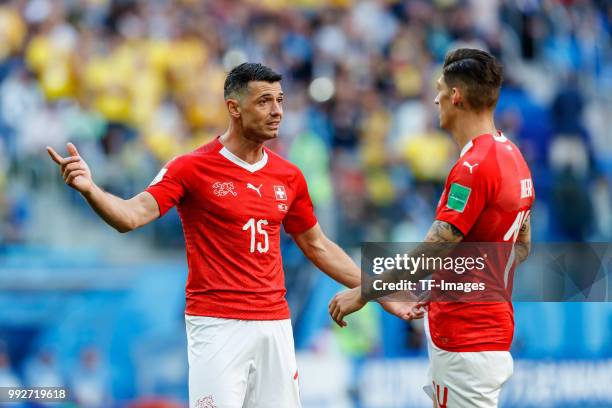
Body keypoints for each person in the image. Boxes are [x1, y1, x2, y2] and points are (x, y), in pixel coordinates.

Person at [47, 62, 412, 408]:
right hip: (217, 326)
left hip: (275, 326)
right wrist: (91, 189)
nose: (277, 111)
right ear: (234, 108)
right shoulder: (190, 168)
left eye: (280, 101)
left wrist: (380, 292)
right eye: (264, 101)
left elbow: (318, 246)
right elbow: (131, 216)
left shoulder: (289, 177)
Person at [329, 49, 535, 407]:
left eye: (439, 88)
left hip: (466, 338)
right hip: (485, 330)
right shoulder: (512, 156)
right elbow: (522, 244)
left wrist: (364, 293)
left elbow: (435, 247)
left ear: (455, 96)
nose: (435, 97)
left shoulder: (473, 167)